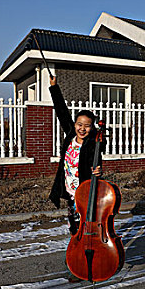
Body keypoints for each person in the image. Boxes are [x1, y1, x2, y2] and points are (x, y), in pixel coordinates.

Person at [48, 76, 103, 235]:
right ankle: (75, 254)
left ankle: (89, 254)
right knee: (74, 226)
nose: (82, 129)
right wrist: (54, 87)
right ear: (74, 125)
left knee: (87, 225)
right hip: (70, 191)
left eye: (87, 126)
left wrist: (98, 170)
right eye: (80, 124)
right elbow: (61, 111)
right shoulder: (71, 136)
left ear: (92, 128)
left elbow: (97, 162)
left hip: (85, 191)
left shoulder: (93, 144)